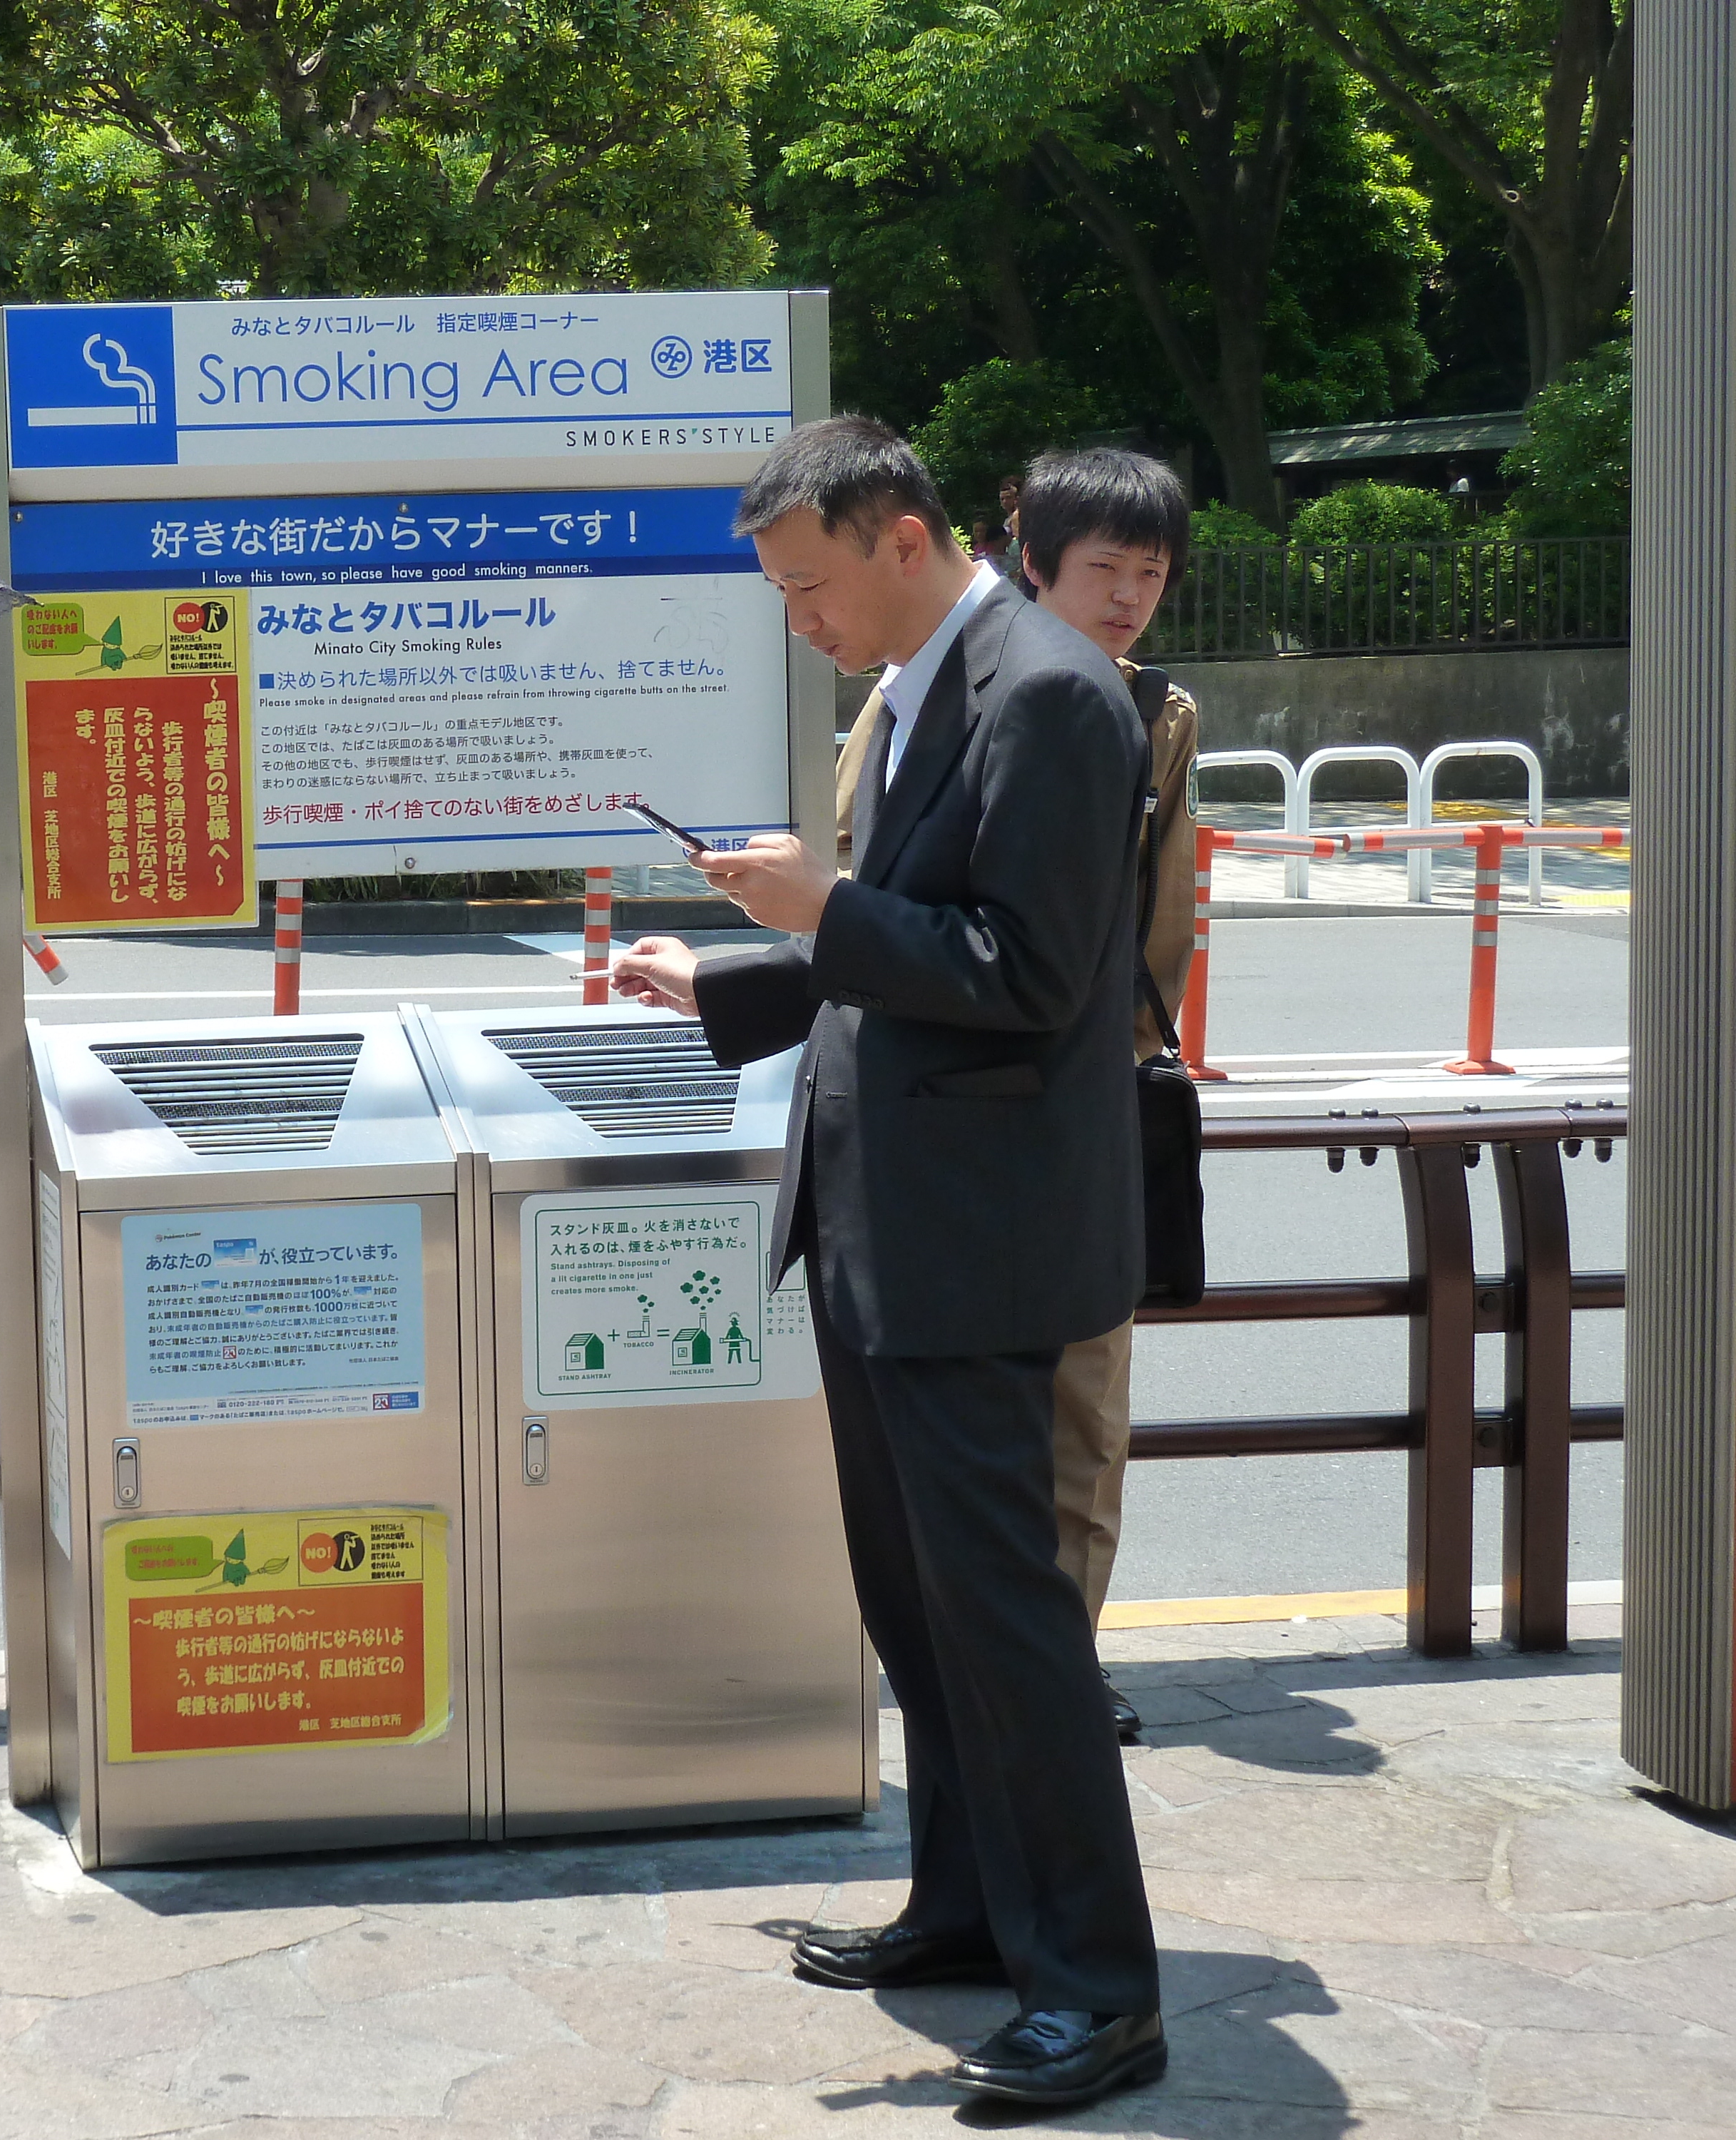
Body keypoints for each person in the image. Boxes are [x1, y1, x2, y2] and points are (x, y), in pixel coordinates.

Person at [613, 415, 1163, 2109]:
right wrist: (734, 976)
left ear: (902, 537)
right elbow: (902, 945)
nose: (800, 621)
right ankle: (967, 1904)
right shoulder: (927, 681)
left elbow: (1028, 970)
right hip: (881, 1224)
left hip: (976, 1245)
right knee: (915, 1610)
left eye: (807, 587)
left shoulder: (1051, 690)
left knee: (1003, 1623)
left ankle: (1095, 1984)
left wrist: (815, 914)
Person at [1013, 447, 1202, 1738]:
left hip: (1098, 1093)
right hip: (974, 1095)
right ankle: (974, 1650)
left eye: (1151, 573)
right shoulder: (948, 693)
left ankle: (1064, 1657)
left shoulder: (1158, 715)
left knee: (1088, 1395)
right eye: (1105, 569)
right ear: (1036, 564)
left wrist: (1137, 1048)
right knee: (977, 1402)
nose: (1129, 596)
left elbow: (1166, 907)